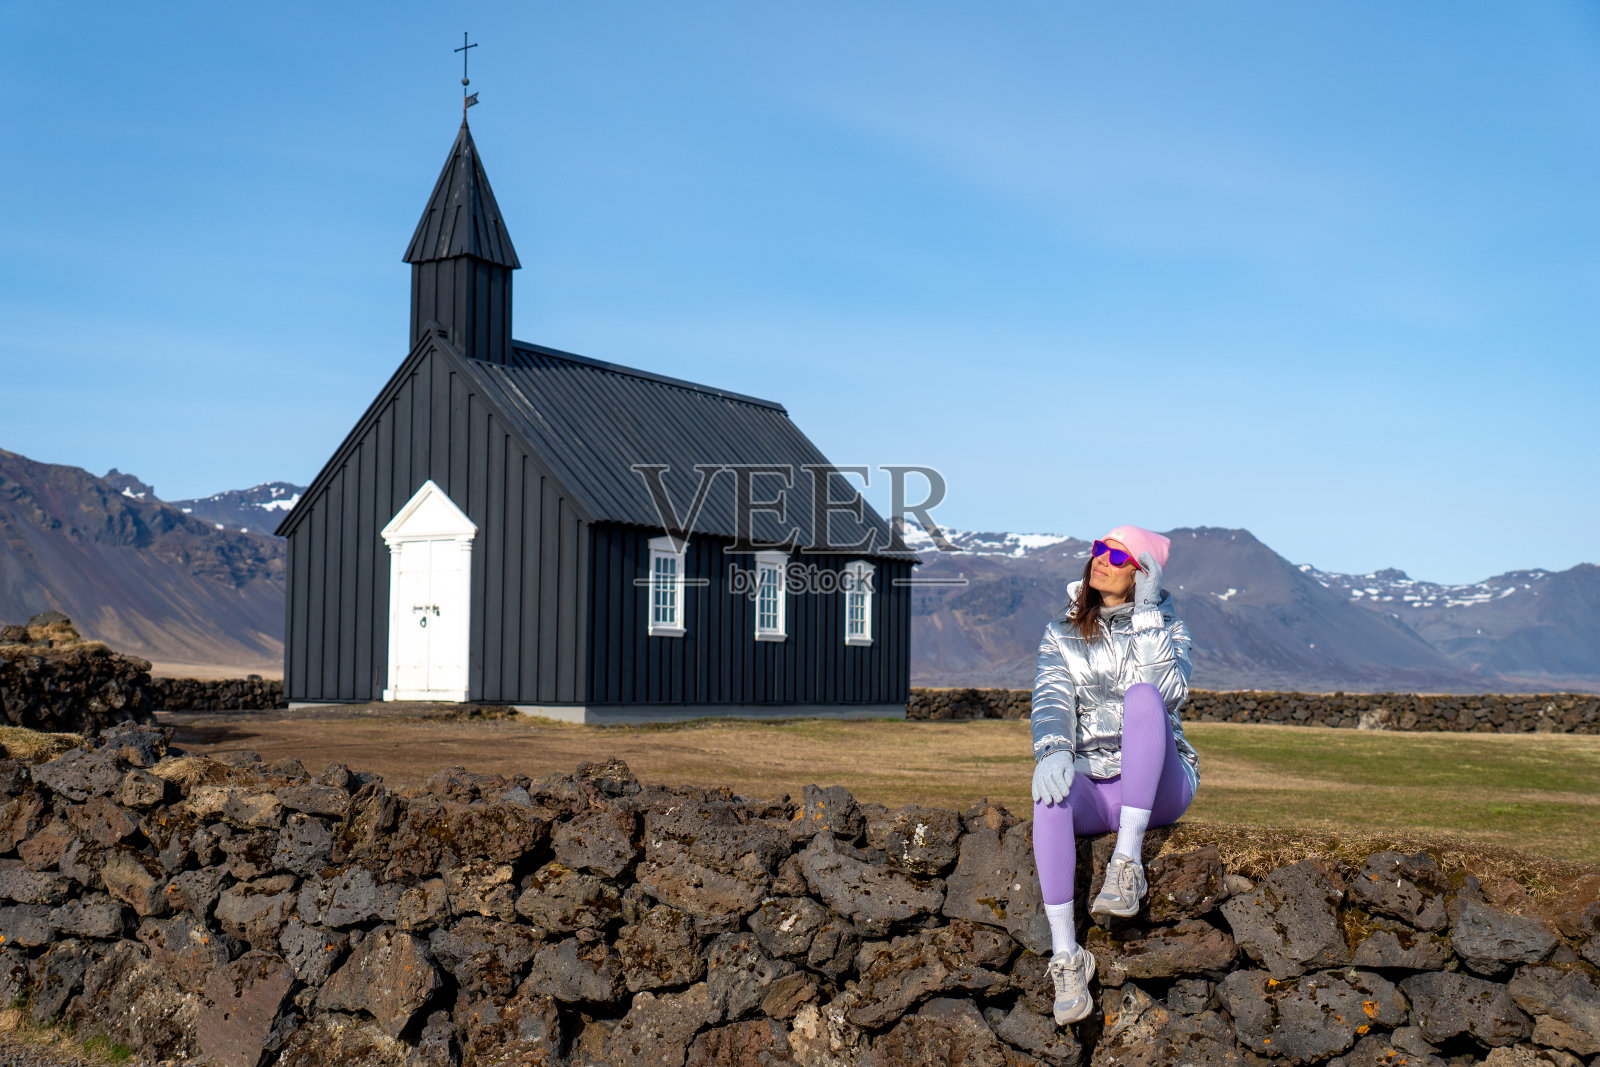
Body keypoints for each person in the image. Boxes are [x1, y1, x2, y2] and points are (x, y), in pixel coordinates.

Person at [1028, 524, 1200, 1026]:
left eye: (1117, 555)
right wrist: (1054, 752)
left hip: (1158, 785)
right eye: (1099, 549)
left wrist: (1147, 614)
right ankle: (1067, 957)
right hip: (1096, 784)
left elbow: (1166, 694)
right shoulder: (1060, 632)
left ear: (1142, 573)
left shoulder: (1171, 627)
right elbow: (1052, 699)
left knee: (1142, 697)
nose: (1100, 558)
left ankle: (1127, 866)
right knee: (1049, 797)